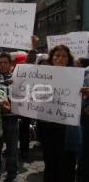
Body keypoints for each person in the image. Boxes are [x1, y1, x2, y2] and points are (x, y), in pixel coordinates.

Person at [41, 45, 80, 182]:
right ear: (51, 58)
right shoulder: (42, 75)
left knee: (67, 165)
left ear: (68, 59)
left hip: (68, 129)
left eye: (64, 56)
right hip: (48, 127)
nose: (60, 58)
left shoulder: (77, 76)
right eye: (57, 55)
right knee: (50, 163)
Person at [0, 52, 18, 182]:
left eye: (5, 62)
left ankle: (12, 173)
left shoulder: (17, 78)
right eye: (0, 62)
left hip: (12, 119)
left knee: (12, 149)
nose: (2, 65)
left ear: (10, 65)